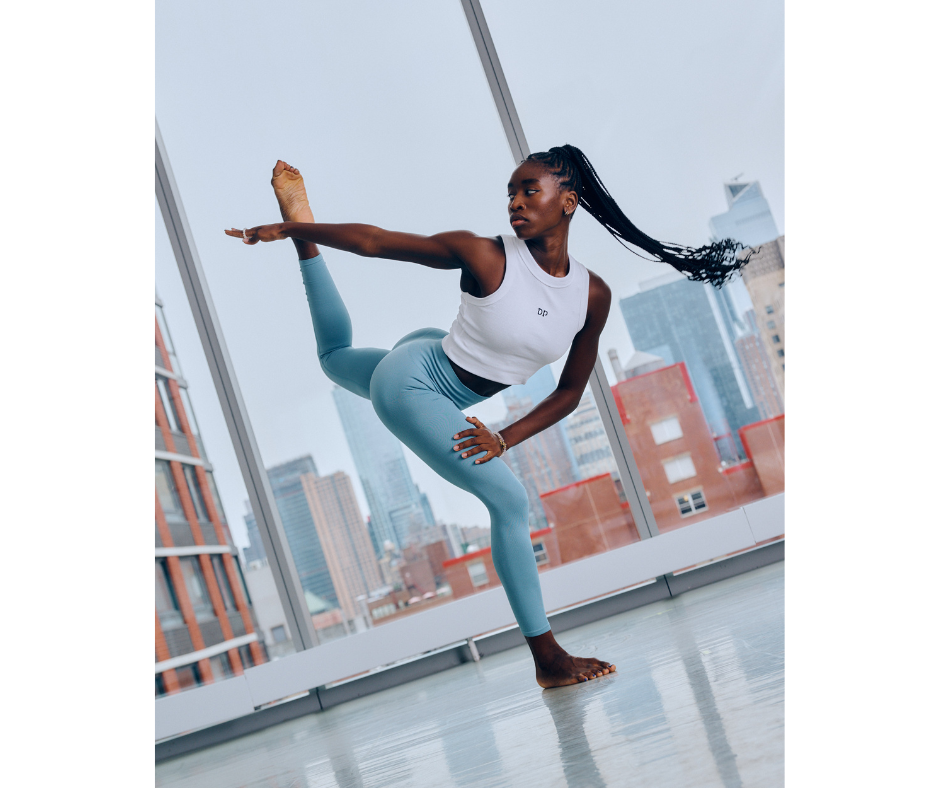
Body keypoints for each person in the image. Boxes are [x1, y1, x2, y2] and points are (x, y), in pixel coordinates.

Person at [226, 146, 747, 687]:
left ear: (568, 202)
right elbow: (377, 242)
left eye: (529, 191)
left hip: (431, 358)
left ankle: (305, 232)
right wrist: (277, 234)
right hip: (414, 382)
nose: (515, 203)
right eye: (510, 193)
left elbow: (570, 391)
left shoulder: (591, 295)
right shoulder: (485, 255)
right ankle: (548, 658)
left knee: (335, 359)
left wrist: (505, 437)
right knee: (510, 500)